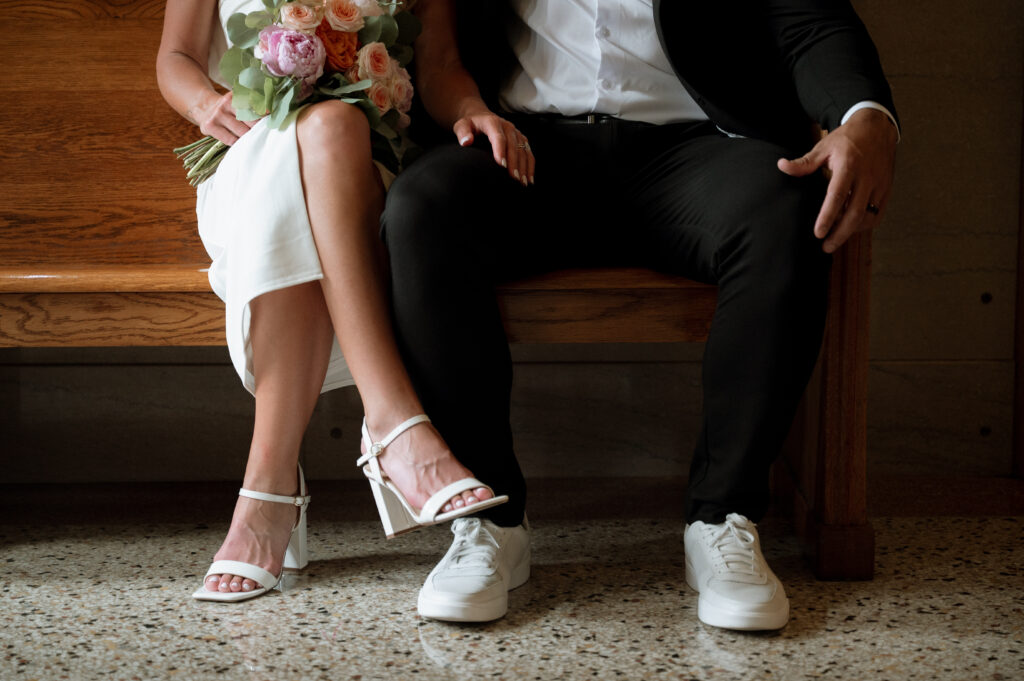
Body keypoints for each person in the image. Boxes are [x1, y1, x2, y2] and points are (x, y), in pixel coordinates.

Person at [382, 0, 898, 627]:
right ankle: (489, 520)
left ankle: (722, 519)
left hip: (696, 146)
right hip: (527, 147)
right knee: (420, 212)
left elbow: (812, 19)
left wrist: (864, 115)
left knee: (785, 212)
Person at [155, 0, 526, 603]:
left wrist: (471, 110)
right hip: (249, 160)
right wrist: (207, 105)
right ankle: (393, 426)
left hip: (367, 177)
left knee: (335, 128)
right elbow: (175, 58)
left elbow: (438, 66)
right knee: (322, 138)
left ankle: (267, 493)